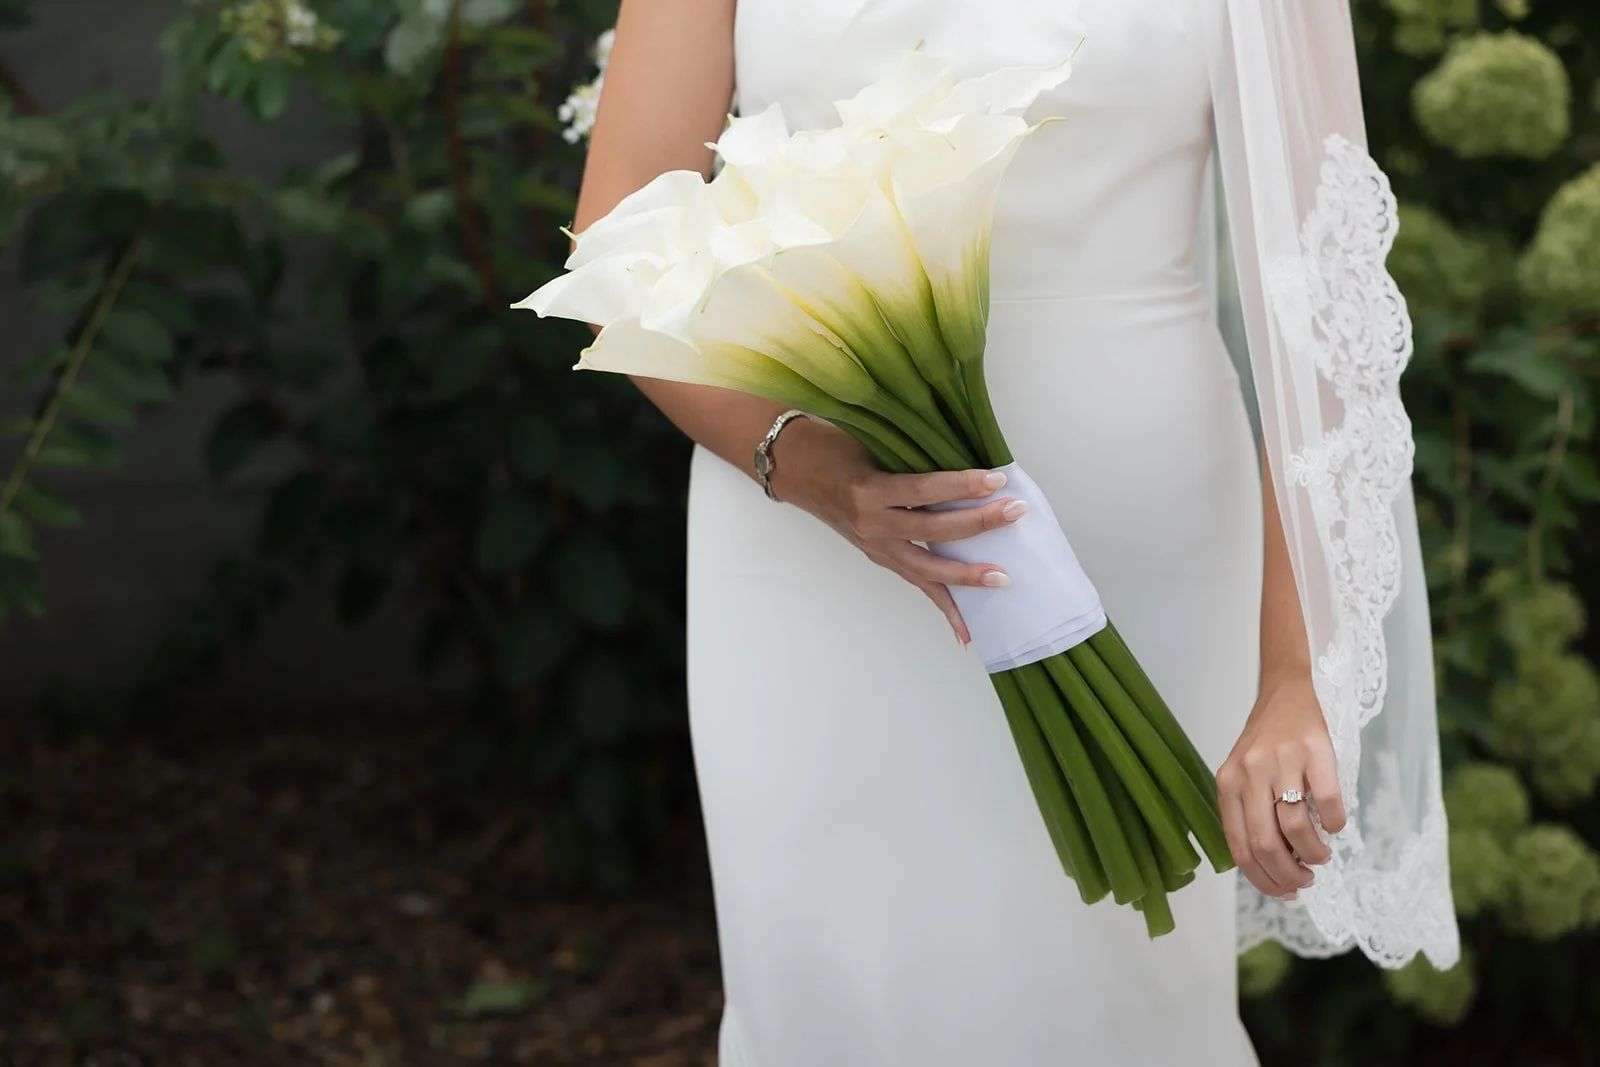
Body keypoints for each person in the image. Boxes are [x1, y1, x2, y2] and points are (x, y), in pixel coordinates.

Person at [566, 1, 1458, 1063]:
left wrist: (1289, 670)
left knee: (1112, 997)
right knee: (835, 989)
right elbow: (620, 237)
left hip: (1141, 529)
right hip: (801, 548)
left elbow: (1327, 310)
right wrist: (808, 467)